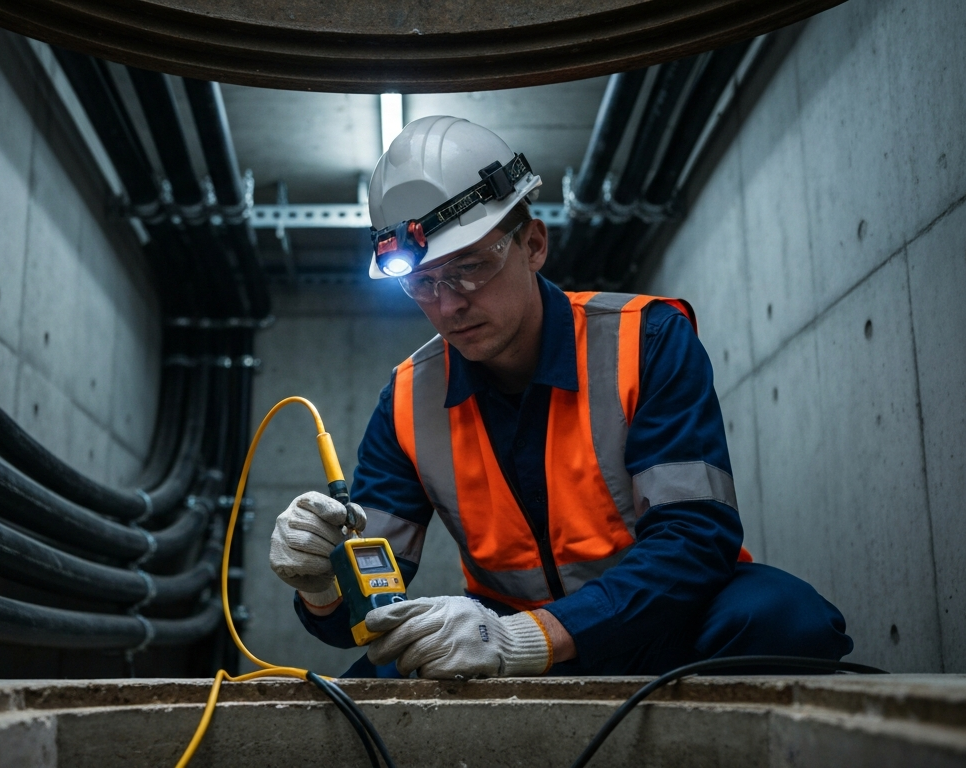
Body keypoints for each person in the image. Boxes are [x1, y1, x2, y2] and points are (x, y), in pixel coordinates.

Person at [268, 115, 852, 679]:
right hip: (499, 633)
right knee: (357, 695)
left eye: (470, 267)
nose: (448, 305)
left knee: (784, 620)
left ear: (534, 244)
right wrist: (321, 584)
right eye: (421, 282)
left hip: (666, 616)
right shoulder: (407, 402)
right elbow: (365, 610)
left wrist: (534, 638)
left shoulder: (644, 340)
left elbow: (696, 539)